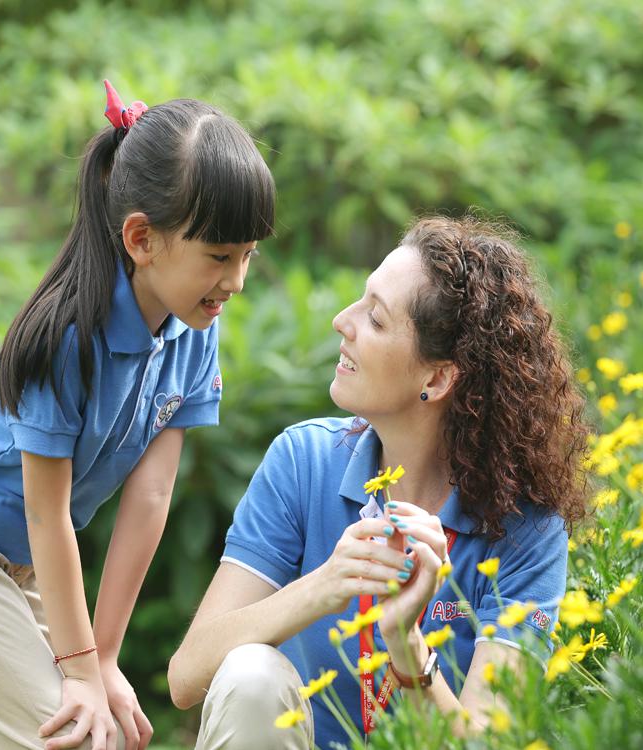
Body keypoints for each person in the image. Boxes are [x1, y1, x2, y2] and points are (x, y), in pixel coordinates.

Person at [0, 80, 275, 750]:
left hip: (16, 557)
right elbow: (46, 513)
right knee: (73, 739)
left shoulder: (194, 332)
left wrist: (105, 657)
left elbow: (151, 495)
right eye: (218, 257)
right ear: (142, 240)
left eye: (247, 257)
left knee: (107, 734)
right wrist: (79, 671)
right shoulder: (67, 338)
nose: (235, 282)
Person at [168, 215, 589, 749]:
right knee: (252, 675)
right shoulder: (304, 461)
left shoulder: (527, 528)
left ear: (436, 379)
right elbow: (186, 677)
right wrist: (327, 585)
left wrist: (406, 644)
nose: (344, 322)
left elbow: (493, 744)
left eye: (377, 319)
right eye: (359, 303)